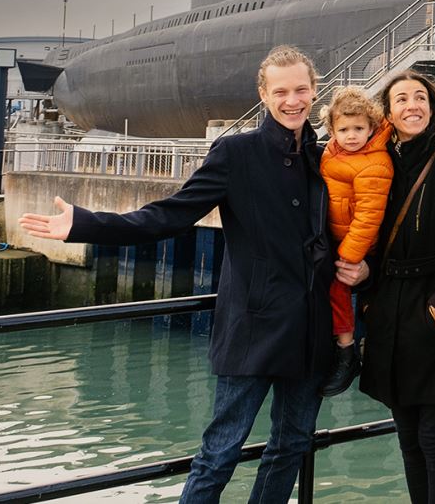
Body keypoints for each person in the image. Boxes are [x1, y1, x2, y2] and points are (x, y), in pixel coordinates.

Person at [19, 45, 335, 504]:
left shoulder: (323, 158)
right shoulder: (235, 153)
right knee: (220, 453)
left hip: (311, 329)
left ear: (315, 89)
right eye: (281, 91)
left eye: (301, 90)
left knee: (291, 447)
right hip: (253, 328)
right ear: (263, 94)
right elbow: (169, 216)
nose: (293, 101)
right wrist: (85, 224)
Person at [337, 69, 435, 504]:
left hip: (434, 309)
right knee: (407, 437)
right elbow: (368, 232)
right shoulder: (380, 166)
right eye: (401, 99)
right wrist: (366, 286)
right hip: (388, 310)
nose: (412, 106)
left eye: (420, 98)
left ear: (433, 108)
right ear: (387, 113)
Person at [316, 85, 393, 396]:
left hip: (355, 244)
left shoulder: (375, 163)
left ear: (371, 127)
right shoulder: (331, 152)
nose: (351, 135)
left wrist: (349, 255)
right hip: (336, 238)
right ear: (332, 129)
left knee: (337, 289)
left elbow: (369, 217)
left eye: (359, 129)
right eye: (343, 129)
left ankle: (347, 352)